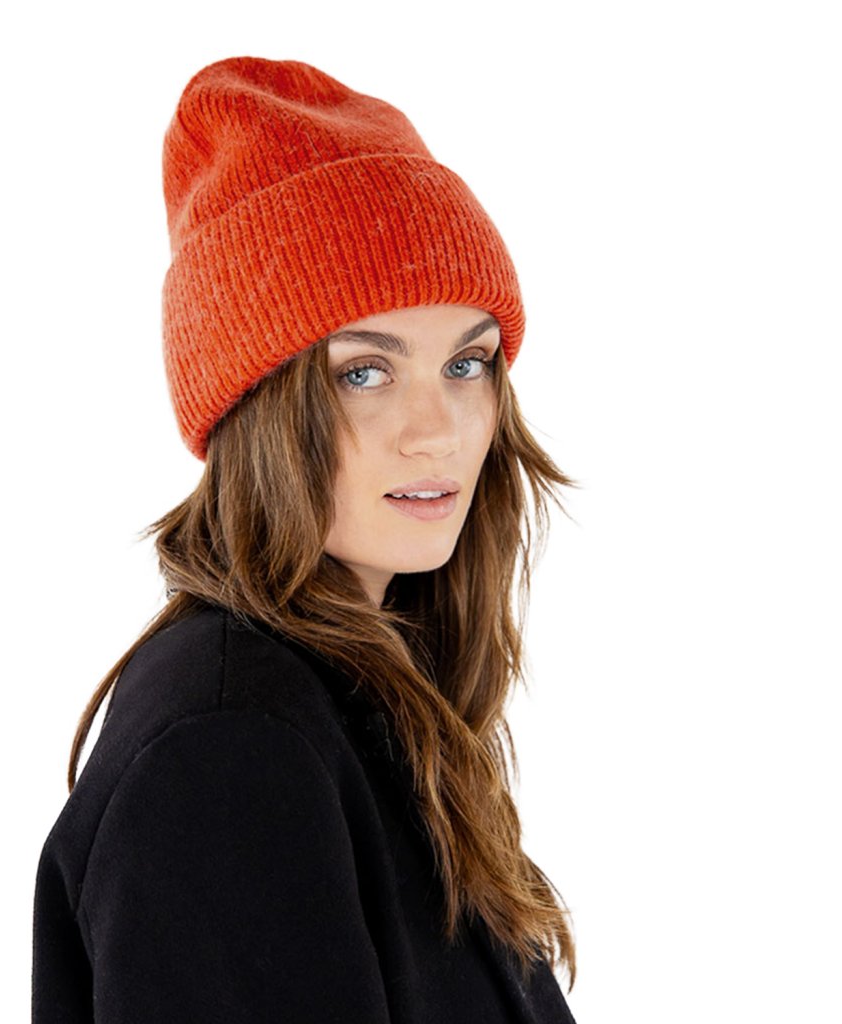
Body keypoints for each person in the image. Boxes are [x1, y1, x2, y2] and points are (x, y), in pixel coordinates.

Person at [31, 55, 580, 1023]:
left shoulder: (367, 704)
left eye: (467, 362)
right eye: (362, 372)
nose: (437, 431)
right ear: (253, 408)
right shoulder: (229, 750)